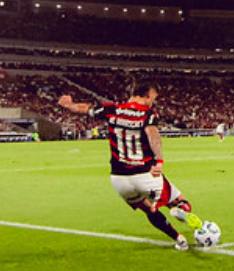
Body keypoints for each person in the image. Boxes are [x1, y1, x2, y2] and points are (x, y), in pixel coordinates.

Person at [59, 82, 204, 250]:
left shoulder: (112, 109)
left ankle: (179, 239)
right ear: (148, 95)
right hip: (144, 174)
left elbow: (85, 108)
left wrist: (68, 104)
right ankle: (179, 210)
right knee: (180, 201)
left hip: (119, 179)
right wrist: (159, 161)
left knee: (150, 210)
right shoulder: (147, 114)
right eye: (153, 98)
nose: (153, 102)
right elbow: (153, 135)